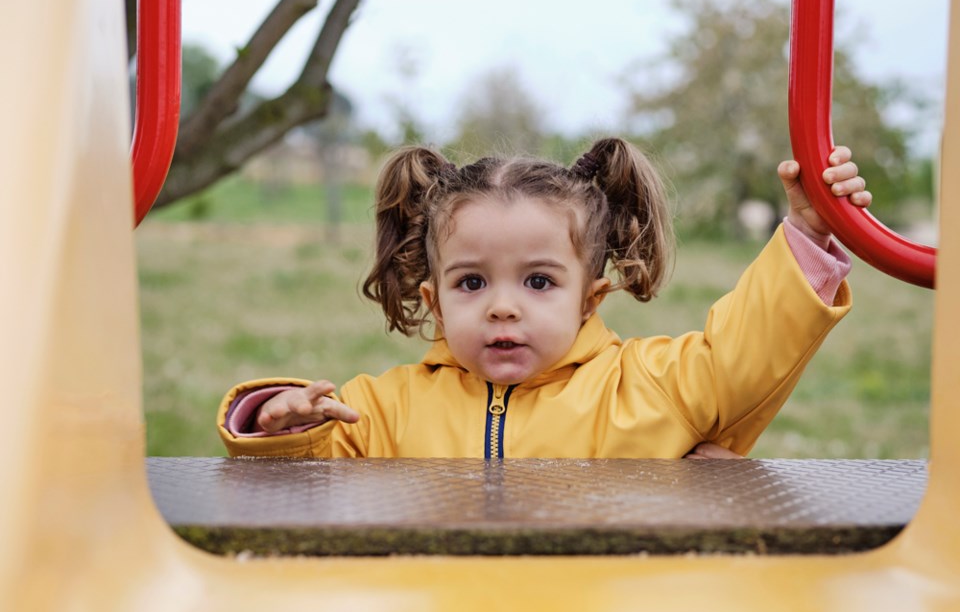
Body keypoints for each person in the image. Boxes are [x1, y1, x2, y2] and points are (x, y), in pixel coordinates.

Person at [217, 138, 869, 459]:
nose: (504, 307)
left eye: (538, 281)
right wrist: (282, 423)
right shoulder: (382, 412)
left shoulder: (649, 389)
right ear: (435, 303)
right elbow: (307, 466)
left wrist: (809, 235)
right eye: (472, 282)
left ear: (589, 300)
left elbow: (746, 352)